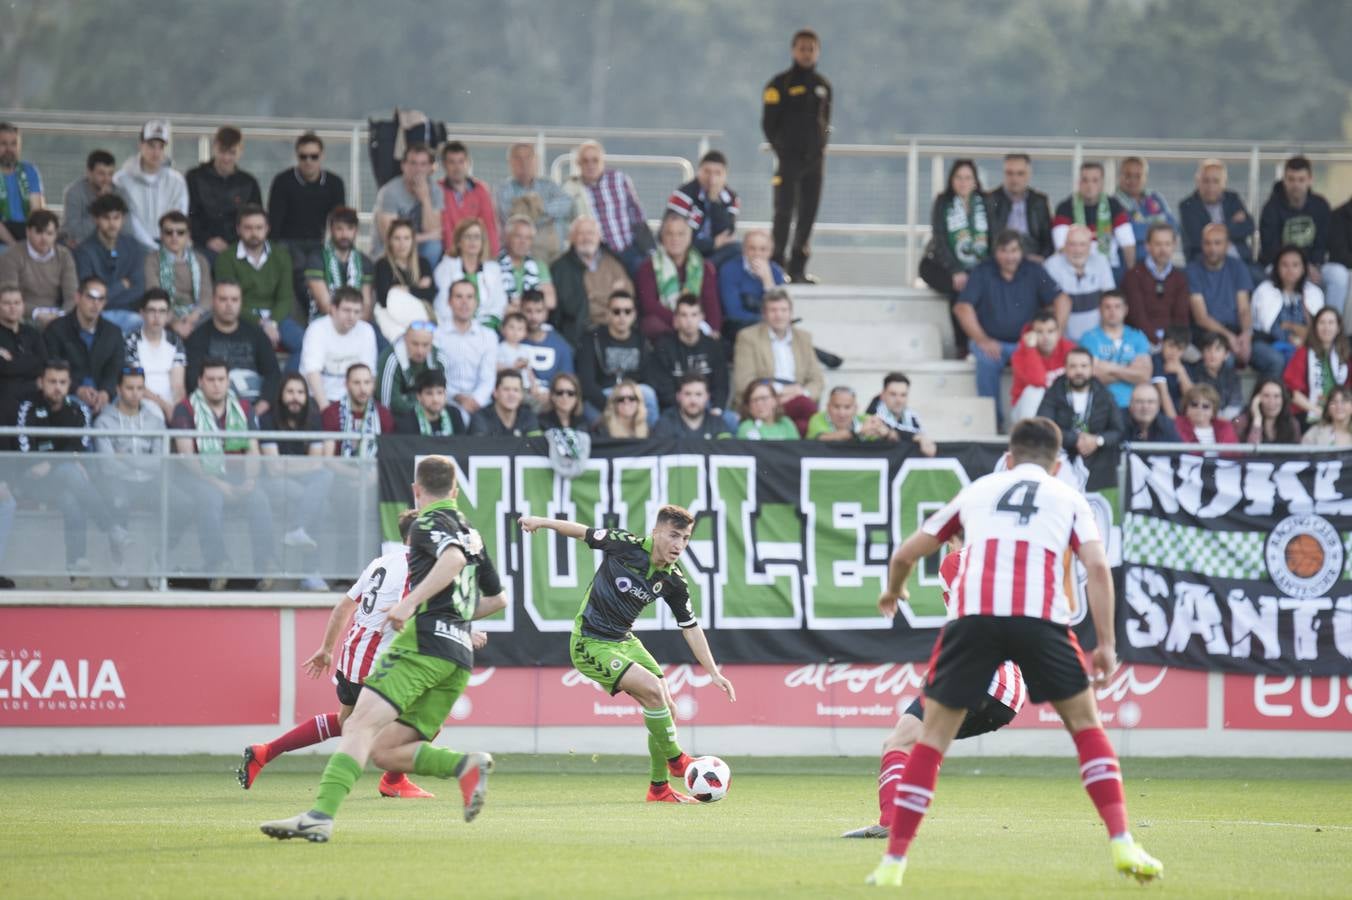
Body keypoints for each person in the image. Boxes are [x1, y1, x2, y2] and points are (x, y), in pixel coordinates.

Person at [865, 417, 1162, 889]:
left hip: (975, 622)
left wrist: (892, 591)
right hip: (1040, 618)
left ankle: (894, 861)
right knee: (1087, 729)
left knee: (928, 740)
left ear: (1008, 457)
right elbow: (1098, 567)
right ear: (1058, 463)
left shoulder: (980, 490)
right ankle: (1123, 840)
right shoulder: (1068, 497)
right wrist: (1105, 644)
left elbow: (905, 554)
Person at [258, 455, 506, 841]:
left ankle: (320, 815)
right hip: (458, 657)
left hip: (422, 646)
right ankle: (463, 765)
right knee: (386, 752)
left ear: (416, 491)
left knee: (356, 723)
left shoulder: (425, 522)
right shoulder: (473, 534)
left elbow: (452, 560)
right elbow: (498, 599)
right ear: (455, 491)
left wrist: (411, 603)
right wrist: (453, 618)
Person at [519, 505, 735, 802]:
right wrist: (539, 522)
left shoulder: (673, 580)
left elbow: (690, 627)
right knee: (652, 691)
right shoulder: (624, 545)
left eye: (685, 538)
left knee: (667, 708)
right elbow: (581, 531)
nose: (679, 545)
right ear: (656, 531)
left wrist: (713, 671)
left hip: (623, 640)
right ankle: (677, 760)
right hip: (589, 641)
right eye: (673, 535)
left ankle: (658, 789)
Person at [238, 509, 450, 799]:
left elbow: (344, 607)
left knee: (345, 723)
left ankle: (265, 752)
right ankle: (393, 779)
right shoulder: (416, 568)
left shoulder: (381, 562)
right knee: (430, 716)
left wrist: (326, 649)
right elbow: (404, 614)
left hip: (351, 657)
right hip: (378, 664)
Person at [841, 539, 1027, 840]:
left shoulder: (957, 563)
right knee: (925, 744)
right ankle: (901, 821)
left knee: (898, 744)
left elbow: (972, 619)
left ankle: (892, 823)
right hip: (1009, 695)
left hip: (974, 678)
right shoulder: (1007, 565)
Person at [170, 356, 276, 590]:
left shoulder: (244, 408)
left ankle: (265, 567)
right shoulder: (185, 409)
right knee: (209, 498)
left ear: (228, 381)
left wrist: (250, 480)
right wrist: (219, 484)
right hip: (198, 478)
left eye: (221, 379)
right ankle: (218, 565)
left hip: (238, 476)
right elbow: (187, 457)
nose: (217, 384)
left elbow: (253, 449)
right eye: (211, 379)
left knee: (259, 498)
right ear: (200, 381)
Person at [954, 230, 1069, 428]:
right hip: (992, 343)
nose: (1009, 256)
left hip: (1028, 342)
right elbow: (962, 307)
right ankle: (992, 423)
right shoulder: (983, 271)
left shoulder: (1033, 270)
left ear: (1021, 251)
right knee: (986, 358)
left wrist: (1054, 333)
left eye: (1014, 250)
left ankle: (1044, 426)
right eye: (1003, 251)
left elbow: (1062, 299)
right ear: (995, 252)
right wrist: (982, 339)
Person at [762, 28, 831, 283]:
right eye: (802, 48)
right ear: (793, 51)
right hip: (788, 160)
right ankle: (777, 267)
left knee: (808, 214)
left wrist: (820, 146)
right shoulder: (779, 84)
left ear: (817, 52)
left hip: (815, 161)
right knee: (783, 213)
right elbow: (769, 124)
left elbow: (826, 122)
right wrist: (783, 150)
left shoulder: (824, 86)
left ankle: (798, 268)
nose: (807, 53)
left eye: (811, 49)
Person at [92, 365, 165, 588]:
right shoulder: (104, 421)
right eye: (130, 388)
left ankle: (158, 558)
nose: (135, 393)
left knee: (181, 503)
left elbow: (159, 462)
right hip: (119, 481)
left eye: (140, 388)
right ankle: (118, 557)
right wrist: (131, 461)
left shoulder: (155, 421)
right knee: (117, 500)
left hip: (149, 480)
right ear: (118, 389)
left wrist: (125, 458)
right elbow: (107, 464)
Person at [254, 373, 332, 583]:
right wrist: (302, 466)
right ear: (280, 395)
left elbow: (318, 464)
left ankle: (299, 529)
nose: (295, 398)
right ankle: (310, 572)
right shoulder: (267, 419)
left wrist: (288, 465)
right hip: (273, 484)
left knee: (325, 475)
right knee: (320, 503)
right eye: (290, 392)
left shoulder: (314, 418)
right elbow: (273, 469)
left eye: (300, 392)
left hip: (304, 481)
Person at [1259, 156, 1346, 315]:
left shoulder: (1320, 205)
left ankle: (1332, 326)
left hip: (1314, 265)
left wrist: (1314, 265)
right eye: (1291, 179)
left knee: (1338, 275)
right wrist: (1301, 266)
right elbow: (1269, 248)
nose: (1296, 185)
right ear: (1284, 179)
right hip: (1280, 265)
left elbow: (1323, 242)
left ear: (1310, 180)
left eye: (1301, 179)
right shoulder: (1271, 208)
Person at [731, 287, 823, 436]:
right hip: (764, 402)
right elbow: (744, 382)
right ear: (764, 314)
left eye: (783, 310)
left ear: (790, 313)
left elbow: (817, 380)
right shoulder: (748, 337)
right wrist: (777, 393)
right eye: (773, 310)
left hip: (798, 400)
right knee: (805, 407)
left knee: (803, 424)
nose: (779, 315)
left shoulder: (803, 338)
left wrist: (802, 392)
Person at [213, 204, 300, 357]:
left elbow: (285, 298)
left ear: (267, 229)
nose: (254, 233)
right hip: (241, 317)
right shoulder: (226, 258)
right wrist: (261, 324)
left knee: (305, 345)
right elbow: (229, 300)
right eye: (248, 228)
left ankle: (287, 381)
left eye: (259, 228)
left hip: (276, 317)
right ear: (238, 229)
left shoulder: (281, 256)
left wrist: (271, 322)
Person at [184, 279, 281, 415]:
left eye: (234, 300)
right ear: (213, 301)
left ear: (241, 302)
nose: (229, 305)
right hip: (213, 410)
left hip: (257, 410)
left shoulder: (257, 334)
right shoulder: (198, 337)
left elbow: (273, 374)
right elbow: (193, 379)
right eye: (223, 299)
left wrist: (260, 407)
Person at [1035, 348, 1123, 490]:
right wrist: (1075, 439)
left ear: (1092, 368)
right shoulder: (1054, 393)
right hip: (1061, 462)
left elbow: (1118, 431)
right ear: (1065, 369)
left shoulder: (1105, 395)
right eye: (1073, 366)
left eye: (1083, 366)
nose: (1079, 371)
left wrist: (1097, 440)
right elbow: (1044, 426)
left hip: (1098, 464)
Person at [44, 276, 125, 416]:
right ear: (77, 297)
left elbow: (115, 369)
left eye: (101, 299)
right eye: (91, 297)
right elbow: (51, 367)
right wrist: (77, 389)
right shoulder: (56, 329)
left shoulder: (114, 332)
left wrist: (105, 393)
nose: (95, 304)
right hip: (67, 395)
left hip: (105, 398)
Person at [635, 213, 722, 342]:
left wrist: (713, 329)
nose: (675, 239)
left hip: (696, 324)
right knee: (651, 325)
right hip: (667, 325)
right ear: (662, 237)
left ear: (690, 237)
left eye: (681, 234)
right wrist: (679, 320)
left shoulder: (704, 267)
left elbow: (711, 303)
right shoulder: (648, 267)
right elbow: (649, 304)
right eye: (669, 233)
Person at [550, 215, 633, 347]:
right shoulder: (560, 268)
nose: (587, 238)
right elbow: (565, 308)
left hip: (613, 330)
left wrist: (594, 296)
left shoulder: (613, 263)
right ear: (572, 238)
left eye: (591, 233)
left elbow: (628, 296)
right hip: (579, 335)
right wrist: (608, 294)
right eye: (581, 233)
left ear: (599, 237)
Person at [1188, 223, 1261, 372]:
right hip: (1208, 333)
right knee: (1227, 360)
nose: (1212, 248)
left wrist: (1246, 336)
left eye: (1217, 243)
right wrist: (1229, 337)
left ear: (1227, 245)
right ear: (1202, 245)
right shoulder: (1192, 270)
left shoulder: (1238, 267)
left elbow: (1244, 309)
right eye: (1208, 243)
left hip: (1236, 331)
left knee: (1273, 360)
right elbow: (1201, 317)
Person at [576, 290, 657, 421]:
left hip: (633, 397)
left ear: (634, 314)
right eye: (616, 311)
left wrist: (630, 402)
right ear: (608, 314)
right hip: (603, 395)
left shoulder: (642, 341)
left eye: (627, 311)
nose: (622, 316)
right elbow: (587, 383)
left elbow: (649, 379)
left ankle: (652, 440)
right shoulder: (592, 339)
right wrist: (613, 405)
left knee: (649, 393)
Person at [186, 126, 262, 263]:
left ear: (240, 151)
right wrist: (207, 239)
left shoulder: (248, 183)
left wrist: (236, 242)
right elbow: (189, 215)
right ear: (214, 147)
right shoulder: (195, 178)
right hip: (201, 245)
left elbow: (256, 219)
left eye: (232, 152)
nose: (226, 158)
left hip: (240, 246)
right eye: (222, 151)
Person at [572, 140, 649, 274]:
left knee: (643, 276)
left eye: (595, 160)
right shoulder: (575, 189)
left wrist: (642, 244)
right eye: (585, 161)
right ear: (579, 164)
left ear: (602, 161)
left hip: (628, 246)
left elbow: (636, 212)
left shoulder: (619, 179)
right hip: (600, 254)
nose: (590, 165)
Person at [266, 132, 346, 261]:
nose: (308, 161)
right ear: (297, 157)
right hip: (288, 243)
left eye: (314, 156)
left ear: (322, 156)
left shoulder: (334, 183)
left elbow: (340, 219)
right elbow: (274, 221)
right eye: (303, 156)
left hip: (319, 243)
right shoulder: (282, 181)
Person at [1052, 161, 1136, 279]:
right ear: (1079, 183)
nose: (1090, 185)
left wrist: (1131, 277)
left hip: (1109, 267)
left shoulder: (1114, 205)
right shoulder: (1065, 207)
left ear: (1102, 183)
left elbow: (1128, 244)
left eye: (1095, 180)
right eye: (1085, 180)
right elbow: (1061, 247)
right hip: (1076, 269)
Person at [649, 293, 730, 416]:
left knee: (730, 420)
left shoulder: (713, 346)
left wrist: (717, 408)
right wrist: (687, 407)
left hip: (708, 408)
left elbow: (721, 384)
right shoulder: (664, 346)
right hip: (674, 409)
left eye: (694, 315)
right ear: (676, 319)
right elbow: (663, 388)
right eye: (684, 315)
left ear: (702, 317)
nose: (689, 320)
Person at [114, 120, 189, 251]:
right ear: (140, 145)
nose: (156, 152)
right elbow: (129, 221)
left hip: (169, 246)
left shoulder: (177, 181)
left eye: (161, 147)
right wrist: (153, 247)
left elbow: (180, 216)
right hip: (133, 246)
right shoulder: (122, 180)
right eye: (151, 145)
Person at [74, 193, 145, 330]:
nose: (112, 224)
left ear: (122, 219)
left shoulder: (133, 246)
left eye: (116, 218)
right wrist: (122, 285)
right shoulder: (84, 251)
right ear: (96, 219)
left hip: (130, 312)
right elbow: (89, 293)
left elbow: (139, 288)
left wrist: (106, 294)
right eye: (106, 218)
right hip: (98, 314)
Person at [920, 159, 989, 299]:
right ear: (951, 180)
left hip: (979, 265)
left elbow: (994, 237)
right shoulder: (942, 201)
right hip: (947, 265)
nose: (963, 182)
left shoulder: (986, 202)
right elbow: (939, 238)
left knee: (975, 284)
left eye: (968, 178)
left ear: (975, 181)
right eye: (958, 177)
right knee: (958, 286)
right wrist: (956, 270)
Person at [300, 286, 378, 409]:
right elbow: (312, 373)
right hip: (318, 398)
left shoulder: (366, 331)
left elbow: (369, 374)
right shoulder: (316, 329)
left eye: (357, 312)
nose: (352, 316)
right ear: (333, 309)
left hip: (354, 400)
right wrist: (325, 409)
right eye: (346, 310)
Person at [434, 279, 498, 427]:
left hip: (481, 406)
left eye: (469, 297)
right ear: (449, 301)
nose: (464, 302)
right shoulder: (437, 335)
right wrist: (457, 397)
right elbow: (436, 374)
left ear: (476, 302)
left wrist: (475, 400)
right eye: (459, 296)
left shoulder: (488, 336)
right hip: (445, 403)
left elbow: (488, 378)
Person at [494, 142, 573, 260]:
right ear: (510, 163)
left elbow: (567, 204)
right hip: (520, 256)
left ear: (536, 161)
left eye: (528, 157)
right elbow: (511, 218)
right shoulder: (503, 189)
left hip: (554, 254)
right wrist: (548, 216)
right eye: (518, 158)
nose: (524, 163)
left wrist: (541, 207)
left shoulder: (549, 185)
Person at [0, 209, 77, 324]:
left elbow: (72, 296)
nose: (44, 238)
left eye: (49, 233)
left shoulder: (64, 255)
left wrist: (61, 315)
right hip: (24, 316)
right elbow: (9, 297)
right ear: (28, 232)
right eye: (39, 232)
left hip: (58, 314)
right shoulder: (12, 255)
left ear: (56, 234)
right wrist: (37, 313)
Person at [1078, 291, 1152, 409]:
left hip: (1133, 406)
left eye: (1117, 306)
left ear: (1126, 310)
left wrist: (1107, 367)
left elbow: (1144, 375)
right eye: (1107, 307)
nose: (1112, 311)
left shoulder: (1138, 337)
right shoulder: (1089, 338)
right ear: (1100, 310)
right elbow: (1092, 376)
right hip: (1099, 405)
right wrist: (1129, 370)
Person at [370, 143, 443, 263]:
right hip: (388, 251)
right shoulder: (389, 191)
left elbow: (432, 229)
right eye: (413, 163)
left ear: (431, 168)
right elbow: (389, 236)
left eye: (423, 164)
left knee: (434, 246)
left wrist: (425, 199)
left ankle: (425, 280)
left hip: (418, 248)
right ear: (403, 165)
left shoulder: (435, 191)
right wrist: (427, 236)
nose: (418, 169)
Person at [667, 150, 741, 267]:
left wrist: (714, 201)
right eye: (707, 172)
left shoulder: (730, 198)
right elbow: (671, 234)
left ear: (725, 175)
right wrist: (713, 243)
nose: (712, 179)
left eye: (718, 173)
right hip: (686, 250)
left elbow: (727, 233)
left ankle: (705, 271)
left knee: (737, 250)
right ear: (699, 172)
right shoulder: (683, 195)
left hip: (714, 252)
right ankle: (704, 272)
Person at [1252, 245, 1323, 366]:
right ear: (1277, 267)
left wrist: (1291, 327)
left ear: (1303, 268)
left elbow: (1317, 331)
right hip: (1267, 344)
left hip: (1303, 344)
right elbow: (1268, 329)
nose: (1290, 269)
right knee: (1284, 358)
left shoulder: (1314, 293)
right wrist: (1295, 333)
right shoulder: (1265, 290)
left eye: (1295, 265)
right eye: (1284, 265)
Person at [144, 210, 211, 339]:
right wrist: (174, 322)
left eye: (180, 233)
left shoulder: (200, 259)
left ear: (188, 235)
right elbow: (154, 293)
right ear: (161, 235)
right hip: (165, 315)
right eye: (169, 232)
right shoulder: (152, 260)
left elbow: (206, 295)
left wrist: (193, 317)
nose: (174, 237)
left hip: (196, 316)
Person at [1121, 223, 1190, 347]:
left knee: (1198, 360)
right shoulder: (1133, 276)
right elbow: (1137, 317)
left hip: (1173, 342)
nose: (1163, 250)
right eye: (1158, 244)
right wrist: (1158, 342)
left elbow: (1181, 317)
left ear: (1174, 245)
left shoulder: (1180, 278)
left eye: (1167, 244)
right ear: (1148, 246)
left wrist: (1172, 342)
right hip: (1142, 340)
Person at [434, 217, 508, 332]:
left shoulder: (493, 269)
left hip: (487, 328)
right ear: (459, 242)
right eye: (468, 237)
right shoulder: (446, 268)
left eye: (477, 237)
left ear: (482, 242)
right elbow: (443, 304)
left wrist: (486, 324)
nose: (473, 242)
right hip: (453, 328)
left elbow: (499, 303)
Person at [123, 288, 187, 421]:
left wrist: (177, 407)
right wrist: (164, 406)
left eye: (162, 311)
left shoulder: (175, 341)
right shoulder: (131, 341)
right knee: (156, 415)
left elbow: (178, 385)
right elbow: (135, 384)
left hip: (171, 403)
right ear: (142, 313)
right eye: (152, 310)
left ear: (168, 316)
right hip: (141, 401)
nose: (157, 317)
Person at [1043, 224, 1116, 340]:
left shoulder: (1101, 262)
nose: (1078, 250)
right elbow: (1046, 306)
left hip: (1096, 339)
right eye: (1072, 244)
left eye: (1082, 244)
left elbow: (1111, 299)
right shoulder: (1051, 265)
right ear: (1065, 246)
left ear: (1090, 246)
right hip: (1063, 340)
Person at [1179, 158, 1255, 267]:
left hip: (1240, 260)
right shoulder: (1187, 206)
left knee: (1265, 281)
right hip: (1204, 263)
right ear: (1197, 181)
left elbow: (1249, 227)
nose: (1211, 186)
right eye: (1206, 181)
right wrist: (1231, 224)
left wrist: (1214, 232)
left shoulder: (1233, 198)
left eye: (1216, 181)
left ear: (1224, 183)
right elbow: (1197, 239)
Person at [1283, 306, 1350, 427]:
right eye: (1322, 323)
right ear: (1315, 327)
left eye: (1331, 323)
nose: (1326, 327)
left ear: (1338, 328)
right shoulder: (1303, 353)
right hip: (1307, 414)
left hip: (1340, 415)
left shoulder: (1345, 356)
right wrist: (1317, 411)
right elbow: (1292, 393)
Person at [304, 207, 373, 321]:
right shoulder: (317, 258)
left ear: (356, 230)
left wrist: (355, 323)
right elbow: (324, 305)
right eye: (339, 229)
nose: (344, 234)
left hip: (358, 322)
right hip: (325, 321)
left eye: (349, 229)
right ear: (331, 230)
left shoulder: (365, 262)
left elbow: (366, 305)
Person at [718, 228, 786, 340]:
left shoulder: (776, 272)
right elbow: (733, 312)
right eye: (752, 248)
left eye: (763, 249)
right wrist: (769, 322)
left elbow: (779, 309)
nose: (757, 254)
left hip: (769, 330)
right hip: (738, 329)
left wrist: (768, 282)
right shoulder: (729, 269)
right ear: (744, 250)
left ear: (771, 252)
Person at [1010, 309, 1077, 422]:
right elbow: (1038, 381)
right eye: (1039, 332)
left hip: (1059, 408)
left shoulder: (1069, 349)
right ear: (1031, 334)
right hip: (1025, 412)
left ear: (1058, 333)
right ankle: (1029, 437)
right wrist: (1031, 349)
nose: (1046, 337)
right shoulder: (1020, 355)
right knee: (1035, 391)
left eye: (1050, 331)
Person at [986, 153, 1053, 262]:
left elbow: (1048, 239)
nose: (1014, 179)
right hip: (1000, 258)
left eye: (1020, 173)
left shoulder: (1039, 201)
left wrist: (1041, 258)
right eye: (1009, 173)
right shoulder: (991, 199)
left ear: (1028, 174)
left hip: (1031, 258)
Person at [320, 363, 394, 458]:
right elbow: (328, 459)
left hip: (373, 471)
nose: (363, 389)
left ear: (373, 385)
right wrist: (353, 473)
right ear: (346, 384)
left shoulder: (384, 415)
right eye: (356, 383)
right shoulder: (331, 413)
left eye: (367, 382)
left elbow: (387, 456)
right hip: (338, 472)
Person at [438, 141, 499, 257]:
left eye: (461, 161)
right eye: (452, 162)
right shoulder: (438, 190)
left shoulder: (480, 189)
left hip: (477, 251)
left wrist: (492, 255)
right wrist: (456, 256)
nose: (457, 167)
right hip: (450, 254)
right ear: (444, 165)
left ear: (468, 163)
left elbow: (489, 224)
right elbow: (445, 229)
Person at [373, 218, 436, 328]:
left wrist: (405, 289)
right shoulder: (383, 265)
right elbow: (384, 299)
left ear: (413, 241)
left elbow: (430, 295)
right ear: (390, 241)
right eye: (397, 238)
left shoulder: (423, 263)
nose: (402, 244)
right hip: (392, 321)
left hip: (419, 319)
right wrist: (417, 289)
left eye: (407, 238)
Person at [59, 149, 125, 249]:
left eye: (110, 174)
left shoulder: (119, 193)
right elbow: (74, 230)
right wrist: (100, 205)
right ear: (89, 172)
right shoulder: (74, 193)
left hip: (109, 243)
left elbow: (126, 228)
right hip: (80, 244)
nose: (106, 179)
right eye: (101, 173)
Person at [377, 321, 443, 418]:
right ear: (405, 340)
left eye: (425, 345)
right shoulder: (391, 359)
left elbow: (442, 397)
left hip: (430, 416)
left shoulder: (439, 359)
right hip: (398, 419)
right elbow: (387, 403)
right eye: (415, 344)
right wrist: (425, 409)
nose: (420, 350)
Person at [0, 283, 46, 419]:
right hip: (5, 397)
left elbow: (43, 363)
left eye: (17, 302)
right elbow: (3, 368)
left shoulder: (33, 333)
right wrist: (29, 361)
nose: (12, 307)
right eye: (6, 303)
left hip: (34, 393)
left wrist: (12, 361)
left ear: (23, 305)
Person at [865, 372, 937, 455]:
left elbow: (920, 435)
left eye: (903, 395)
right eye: (893, 394)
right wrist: (917, 438)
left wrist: (922, 439)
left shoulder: (912, 415)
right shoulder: (872, 416)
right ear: (883, 395)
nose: (899, 400)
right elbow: (891, 432)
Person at [1114, 157, 1177, 248]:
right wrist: (1158, 224)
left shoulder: (1155, 197)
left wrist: (1140, 226)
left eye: (1138, 176)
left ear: (1145, 177)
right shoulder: (1113, 202)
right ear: (1119, 176)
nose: (1133, 180)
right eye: (1128, 175)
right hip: (1128, 259)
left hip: (1159, 257)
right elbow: (1130, 233)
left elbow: (1172, 226)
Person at [0, 122, 45, 249]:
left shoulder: (29, 170)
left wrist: (30, 242)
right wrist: (15, 246)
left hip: (27, 232)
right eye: (3, 144)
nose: (9, 149)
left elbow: (37, 210)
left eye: (14, 144)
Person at [521, 289, 574, 394]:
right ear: (520, 311)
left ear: (546, 313)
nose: (533, 317)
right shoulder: (509, 339)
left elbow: (567, 382)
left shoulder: (561, 346)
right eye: (528, 311)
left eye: (538, 311)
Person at [499, 215, 556, 311]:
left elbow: (551, 302)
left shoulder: (539, 266)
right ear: (507, 237)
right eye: (518, 236)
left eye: (528, 238)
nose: (523, 242)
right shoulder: (494, 265)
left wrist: (520, 303)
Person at [653, 374, 731, 441]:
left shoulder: (718, 424)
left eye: (698, 394)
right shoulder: (665, 424)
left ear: (707, 397)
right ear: (678, 396)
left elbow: (727, 451)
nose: (693, 400)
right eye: (687, 394)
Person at [1187, 331, 1244, 421]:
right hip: (1200, 418)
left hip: (1228, 421)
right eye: (1208, 349)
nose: (1212, 354)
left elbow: (1235, 404)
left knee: (1239, 420)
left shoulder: (1233, 375)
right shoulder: (1193, 373)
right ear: (1202, 353)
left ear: (1226, 354)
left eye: (1217, 349)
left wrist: (1222, 421)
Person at [469, 370, 539, 437]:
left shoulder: (528, 417)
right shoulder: (481, 417)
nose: (511, 394)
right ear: (495, 392)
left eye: (516, 390)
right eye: (506, 389)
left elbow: (536, 446)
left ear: (521, 395)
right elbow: (480, 447)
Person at [395, 367, 462, 437]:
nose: (435, 399)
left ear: (445, 394)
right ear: (419, 396)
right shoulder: (407, 423)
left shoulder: (454, 414)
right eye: (429, 393)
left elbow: (462, 445)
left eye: (440, 392)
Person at [807, 386, 889, 441]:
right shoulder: (817, 418)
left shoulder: (866, 419)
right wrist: (859, 432)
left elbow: (888, 436)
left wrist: (887, 433)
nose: (842, 413)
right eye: (836, 406)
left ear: (855, 408)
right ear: (828, 407)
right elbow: (823, 438)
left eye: (847, 407)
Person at [1233, 378, 1301, 445]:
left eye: (1276, 396)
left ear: (1283, 399)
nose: (1271, 401)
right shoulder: (1241, 422)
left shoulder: (1292, 423)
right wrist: (1257, 419)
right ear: (1256, 399)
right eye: (1266, 396)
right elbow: (1250, 454)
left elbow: (1296, 454)